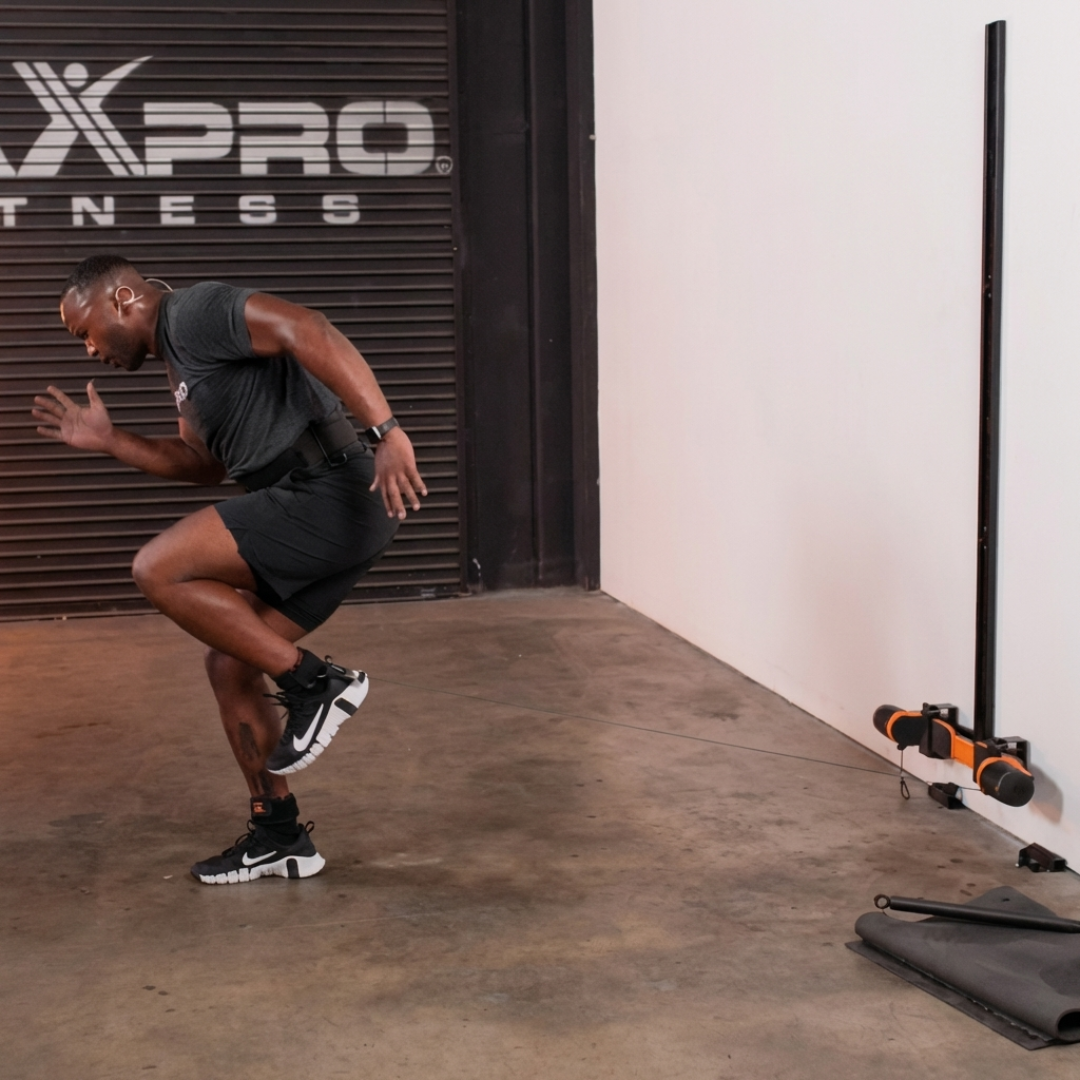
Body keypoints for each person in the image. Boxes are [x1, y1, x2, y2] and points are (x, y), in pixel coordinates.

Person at [32, 254, 427, 885]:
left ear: (123, 299)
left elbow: (310, 328)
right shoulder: (181, 365)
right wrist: (112, 442)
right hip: (319, 503)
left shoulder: (194, 313)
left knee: (156, 568)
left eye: (85, 332)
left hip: (327, 491)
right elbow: (202, 465)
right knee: (230, 660)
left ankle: (316, 684)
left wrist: (389, 431)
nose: (88, 350)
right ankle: (280, 833)